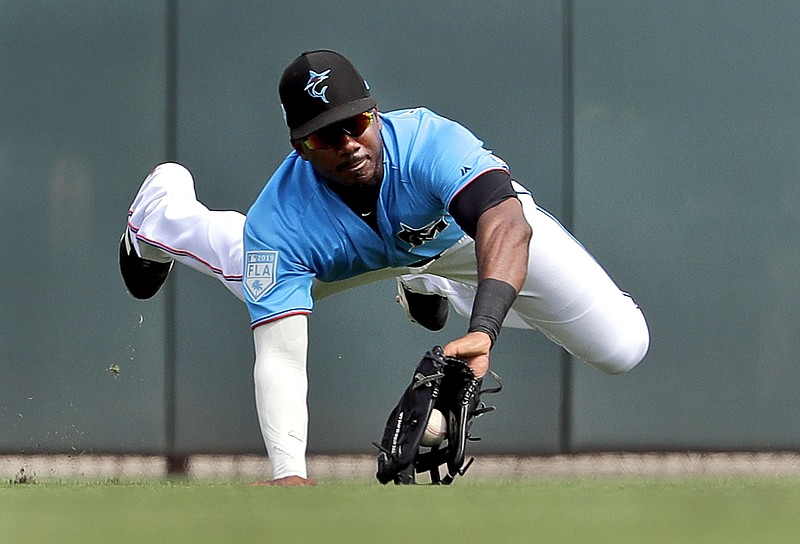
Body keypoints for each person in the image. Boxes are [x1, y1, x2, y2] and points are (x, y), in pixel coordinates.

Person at [120, 49, 650, 486]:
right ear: (300, 147)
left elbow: (507, 223)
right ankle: (162, 213)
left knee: (623, 346)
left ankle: (425, 276)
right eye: (326, 137)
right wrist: (289, 475)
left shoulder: (426, 142)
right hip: (334, 257)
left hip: (465, 240)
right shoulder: (279, 223)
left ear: (375, 112)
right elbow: (280, 357)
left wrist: (483, 330)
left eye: (356, 123)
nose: (348, 144)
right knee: (247, 269)